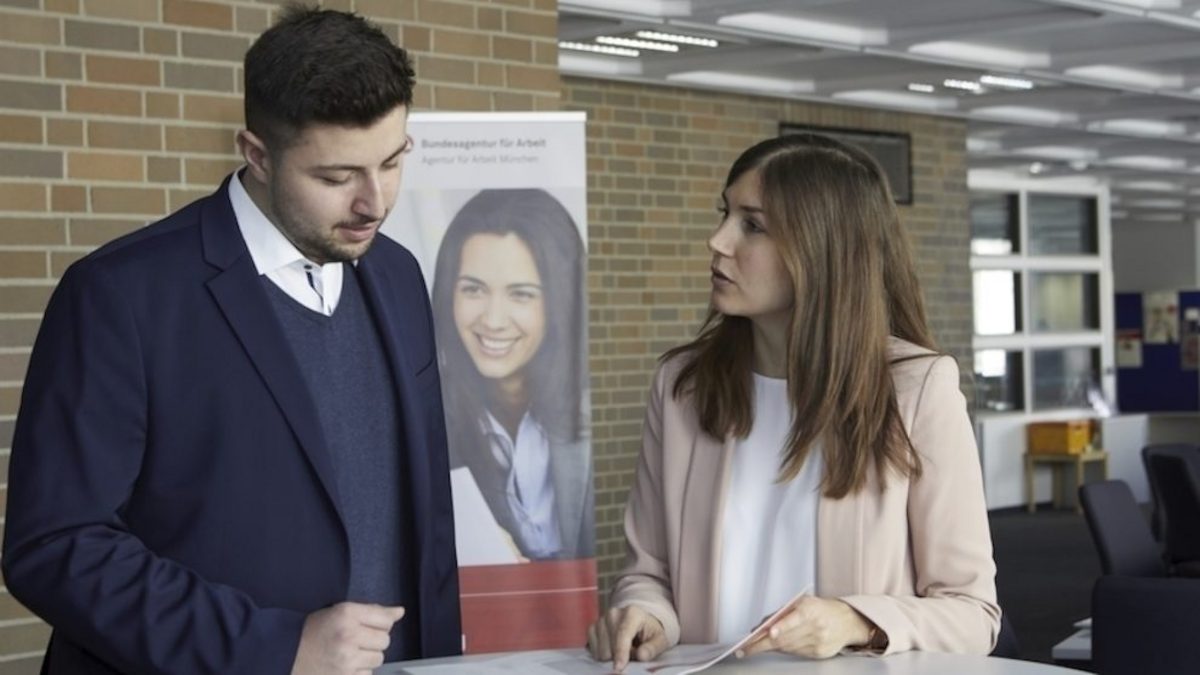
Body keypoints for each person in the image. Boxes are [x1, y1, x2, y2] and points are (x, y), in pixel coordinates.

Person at [2, 7, 460, 674]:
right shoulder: (118, 294)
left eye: (391, 162)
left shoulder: (397, 274)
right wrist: (275, 648)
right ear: (256, 154)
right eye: (335, 177)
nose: (375, 202)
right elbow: (56, 545)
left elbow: (423, 523)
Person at [586, 134, 1000, 670]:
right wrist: (645, 613)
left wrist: (855, 621)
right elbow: (648, 572)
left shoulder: (918, 390)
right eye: (725, 214)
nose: (717, 240)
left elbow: (972, 613)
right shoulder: (681, 386)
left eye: (751, 225)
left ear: (820, 249)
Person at [430, 189, 593, 561]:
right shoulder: (428, 414)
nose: (493, 320)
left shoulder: (595, 408)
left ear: (559, 303)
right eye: (473, 289)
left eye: (521, 294)